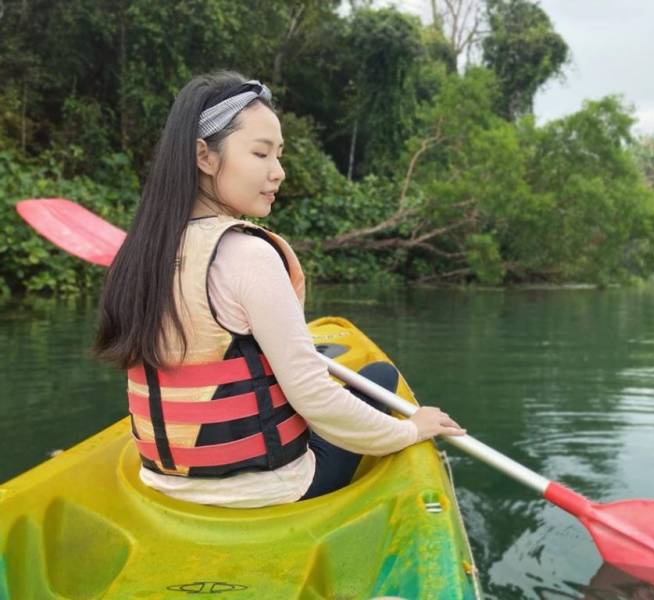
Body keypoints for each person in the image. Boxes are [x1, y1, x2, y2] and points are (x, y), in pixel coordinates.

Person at [94, 71, 465, 508]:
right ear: (205, 157)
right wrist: (411, 429)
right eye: (260, 153)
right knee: (380, 378)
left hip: (162, 483)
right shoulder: (247, 255)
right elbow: (311, 395)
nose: (278, 172)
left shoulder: (141, 253)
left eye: (279, 155)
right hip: (266, 491)